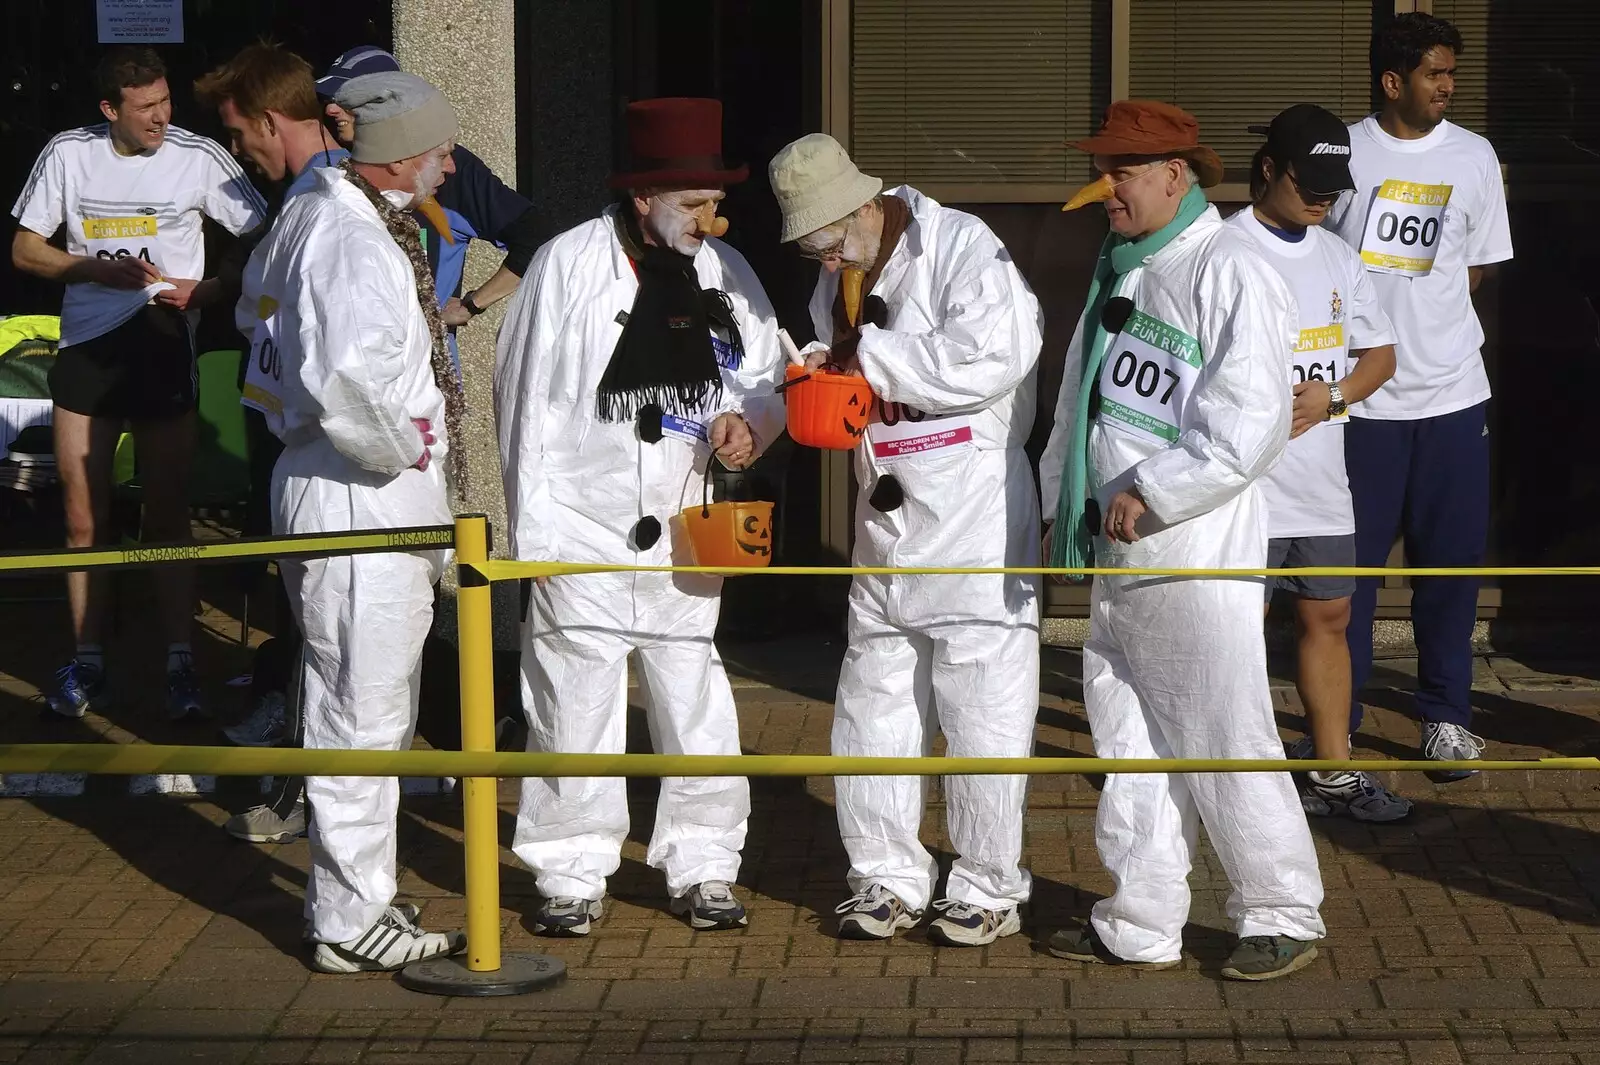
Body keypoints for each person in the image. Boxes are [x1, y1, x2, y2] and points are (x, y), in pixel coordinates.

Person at [1038, 101, 1325, 980]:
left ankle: (1282, 908)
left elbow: (1250, 425)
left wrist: (1153, 493)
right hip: (1125, 561)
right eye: (1105, 168)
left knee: (1226, 732)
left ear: (1176, 174)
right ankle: (1140, 916)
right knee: (1130, 746)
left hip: (1193, 553)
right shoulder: (1123, 267)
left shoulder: (1231, 269)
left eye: (1122, 171)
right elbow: (1079, 407)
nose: (1106, 188)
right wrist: (1060, 504)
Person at [495, 97, 784, 936]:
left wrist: (749, 427)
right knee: (572, 701)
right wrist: (537, 539)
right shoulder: (567, 266)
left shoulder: (726, 271)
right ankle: (569, 869)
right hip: (582, 526)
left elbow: (766, 374)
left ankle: (703, 861)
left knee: (694, 695)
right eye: (692, 204)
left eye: (713, 201)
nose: (710, 218)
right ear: (643, 196)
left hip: (684, 521)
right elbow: (524, 404)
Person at [768, 134, 1043, 946]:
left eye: (824, 241)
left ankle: (990, 882)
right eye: (810, 249)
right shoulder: (843, 273)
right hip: (883, 526)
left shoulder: (961, 245)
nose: (821, 261)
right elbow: (849, 361)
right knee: (873, 707)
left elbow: (999, 353)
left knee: (982, 708)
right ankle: (885, 874)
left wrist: (869, 358)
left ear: (862, 207)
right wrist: (823, 364)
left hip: (972, 520)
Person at [246, 70, 466, 971]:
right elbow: (346, 385)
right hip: (355, 489)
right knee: (359, 711)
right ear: (398, 153)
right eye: (442, 149)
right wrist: (405, 449)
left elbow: (259, 321)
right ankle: (345, 918)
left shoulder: (320, 210)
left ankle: (358, 893)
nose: (451, 165)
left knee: (366, 700)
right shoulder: (348, 234)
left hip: (342, 482)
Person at [10, 46, 268, 721]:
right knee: (81, 518)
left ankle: (180, 660)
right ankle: (87, 658)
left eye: (165, 102)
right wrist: (89, 270)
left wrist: (208, 289)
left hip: (160, 347)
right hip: (87, 350)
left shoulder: (199, 155)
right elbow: (24, 248)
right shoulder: (69, 153)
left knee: (167, 515)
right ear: (109, 110)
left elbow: (265, 236)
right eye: (145, 107)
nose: (161, 117)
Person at [1325, 13, 1513, 781]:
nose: (1448, 87)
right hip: (1360, 403)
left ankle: (1445, 716)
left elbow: (1479, 266)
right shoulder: (1342, 151)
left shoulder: (1474, 155)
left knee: (1449, 565)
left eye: (1453, 76)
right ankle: (1341, 715)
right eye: (1436, 74)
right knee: (1349, 576)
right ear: (1393, 81)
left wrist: (1420, 309)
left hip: (1452, 397)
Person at [1229, 105, 1411, 823]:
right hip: (1242, 490)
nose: (1323, 198)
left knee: (1330, 616)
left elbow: (1381, 355)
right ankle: (1240, 777)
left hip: (1321, 487)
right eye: (1311, 181)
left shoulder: (1338, 254)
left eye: (1336, 186)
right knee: (1237, 627)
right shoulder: (1224, 248)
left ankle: (1334, 770)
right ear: (1270, 167)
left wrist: (1331, 396)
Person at [191, 41, 350, 843]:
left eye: (236, 130)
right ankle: (317, 804)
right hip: (302, 451)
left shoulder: (327, 207)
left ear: (267, 118)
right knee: (318, 641)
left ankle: (307, 801)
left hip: (337, 460)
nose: (236, 149)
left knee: (329, 650)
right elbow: (261, 313)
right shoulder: (304, 203)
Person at [317, 46, 548, 361]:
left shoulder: (445, 167)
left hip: (426, 373)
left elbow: (537, 237)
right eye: (328, 98)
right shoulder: (325, 168)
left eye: (347, 97)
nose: (332, 109)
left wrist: (472, 303)